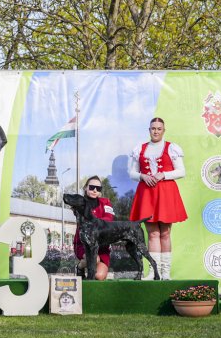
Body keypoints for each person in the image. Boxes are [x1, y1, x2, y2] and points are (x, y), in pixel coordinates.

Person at [129, 117, 187, 280]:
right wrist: (142, 176)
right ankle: (154, 272)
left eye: (159, 128)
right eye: (153, 128)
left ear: (163, 130)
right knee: (152, 233)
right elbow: (132, 173)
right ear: (149, 130)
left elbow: (181, 171)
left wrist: (163, 174)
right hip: (147, 193)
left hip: (165, 192)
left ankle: (166, 273)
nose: (156, 131)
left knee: (165, 233)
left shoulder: (171, 148)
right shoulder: (140, 149)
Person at [72, 176, 115, 280]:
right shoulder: (79, 203)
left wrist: (93, 221)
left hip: (102, 247)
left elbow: (109, 219)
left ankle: (89, 267)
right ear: (85, 187)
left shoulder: (106, 202)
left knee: (99, 276)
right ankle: (80, 267)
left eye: (98, 188)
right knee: (94, 259)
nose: (95, 190)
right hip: (84, 244)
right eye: (91, 187)